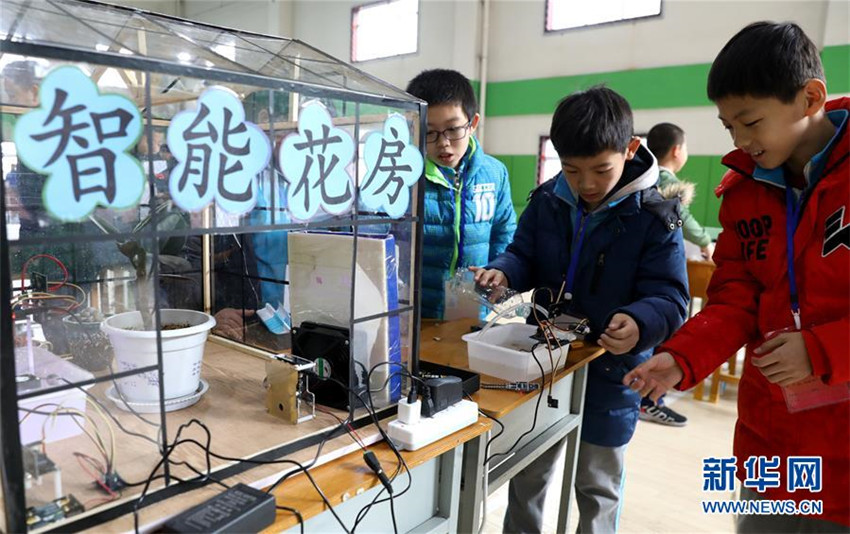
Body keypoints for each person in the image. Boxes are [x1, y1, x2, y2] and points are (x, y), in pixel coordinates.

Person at [625, 21, 849, 532]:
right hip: (769, 439)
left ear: (810, 97)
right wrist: (681, 358)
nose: (741, 140)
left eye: (751, 122)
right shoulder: (745, 191)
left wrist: (822, 350)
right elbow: (734, 298)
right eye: (729, 127)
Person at [473, 86, 689, 533]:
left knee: (597, 482)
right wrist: (504, 272)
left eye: (600, 170)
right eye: (571, 169)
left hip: (613, 372)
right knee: (529, 470)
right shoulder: (548, 201)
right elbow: (523, 254)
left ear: (630, 150)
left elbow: (672, 297)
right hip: (545, 360)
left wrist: (641, 320)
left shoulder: (654, 216)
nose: (586, 183)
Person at [405, 69, 516, 319]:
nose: (443, 143)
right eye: (429, 132)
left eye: (453, 130)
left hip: (475, 309)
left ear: (473, 124)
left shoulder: (494, 173)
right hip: (418, 312)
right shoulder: (405, 176)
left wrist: (499, 271)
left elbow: (504, 233)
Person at [647, 122, 715, 260]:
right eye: (686, 148)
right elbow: (681, 217)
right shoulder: (669, 183)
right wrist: (705, 241)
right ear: (676, 150)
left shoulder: (644, 178)